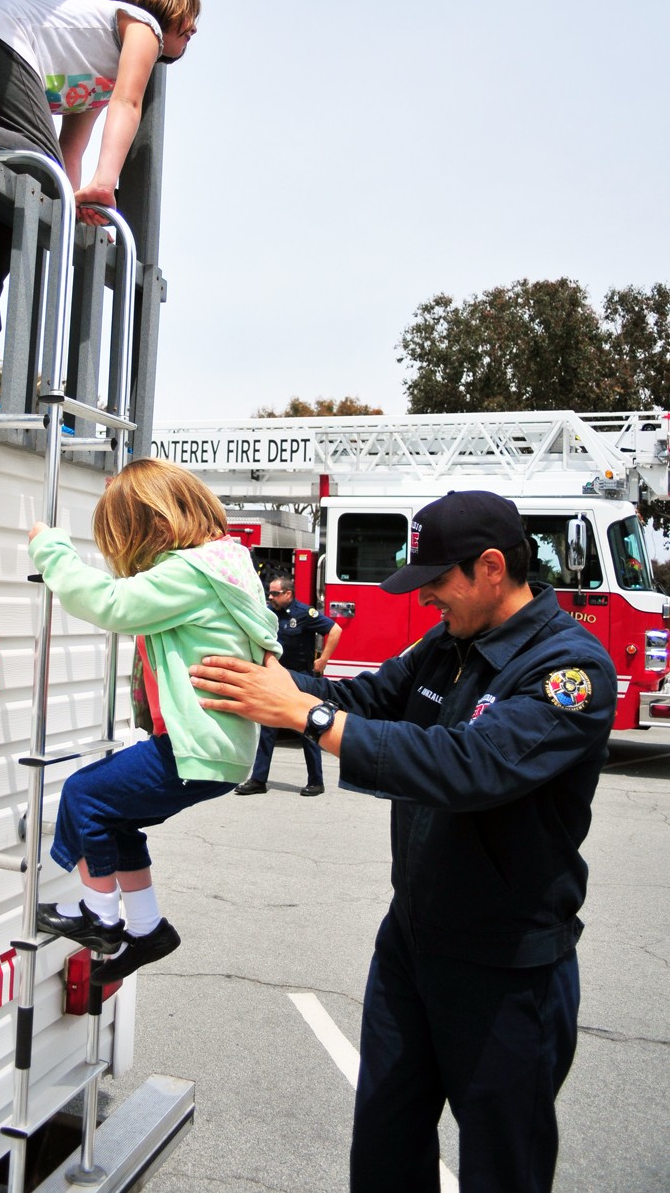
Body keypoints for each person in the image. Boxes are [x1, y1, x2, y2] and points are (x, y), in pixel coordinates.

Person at [189, 490, 617, 1192]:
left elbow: (471, 767)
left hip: (504, 967)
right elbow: (366, 702)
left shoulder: (568, 670)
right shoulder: (446, 644)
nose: (424, 602)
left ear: (488, 568)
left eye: (435, 583)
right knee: (385, 1147)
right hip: (410, 945)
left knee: (500, 1166)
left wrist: (309, 713)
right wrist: (257, 683)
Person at [28, 458, 279, 983]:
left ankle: (99, 917)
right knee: (118, 821)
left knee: (85, 795)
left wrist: (51, 550)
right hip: (216, 747)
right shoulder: (228, 564)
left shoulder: (192, 572)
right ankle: (147, 929)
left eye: (130, 535)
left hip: (198, 745)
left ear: (160, 527)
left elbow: (110, 603)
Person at [0, 0, 200, 386]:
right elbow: (128, 104)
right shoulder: (144, 28)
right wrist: (103, 185)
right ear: (161, 8)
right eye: (188, 18)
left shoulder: (94, 67)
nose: (193, 29)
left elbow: (70, 148)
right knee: (39, 170)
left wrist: (75, 199)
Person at [235, 569, 341, 797]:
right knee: (267, 729)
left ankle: (316, 781)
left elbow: (334, 630)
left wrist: (323, 660)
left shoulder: (304, 613)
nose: (270, 597)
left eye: (275, 593)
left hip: (302, 680)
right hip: (277, 678)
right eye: (269, 593)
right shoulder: (270, 613)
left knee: (309, 730)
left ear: (288, 594)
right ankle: (258, 780)